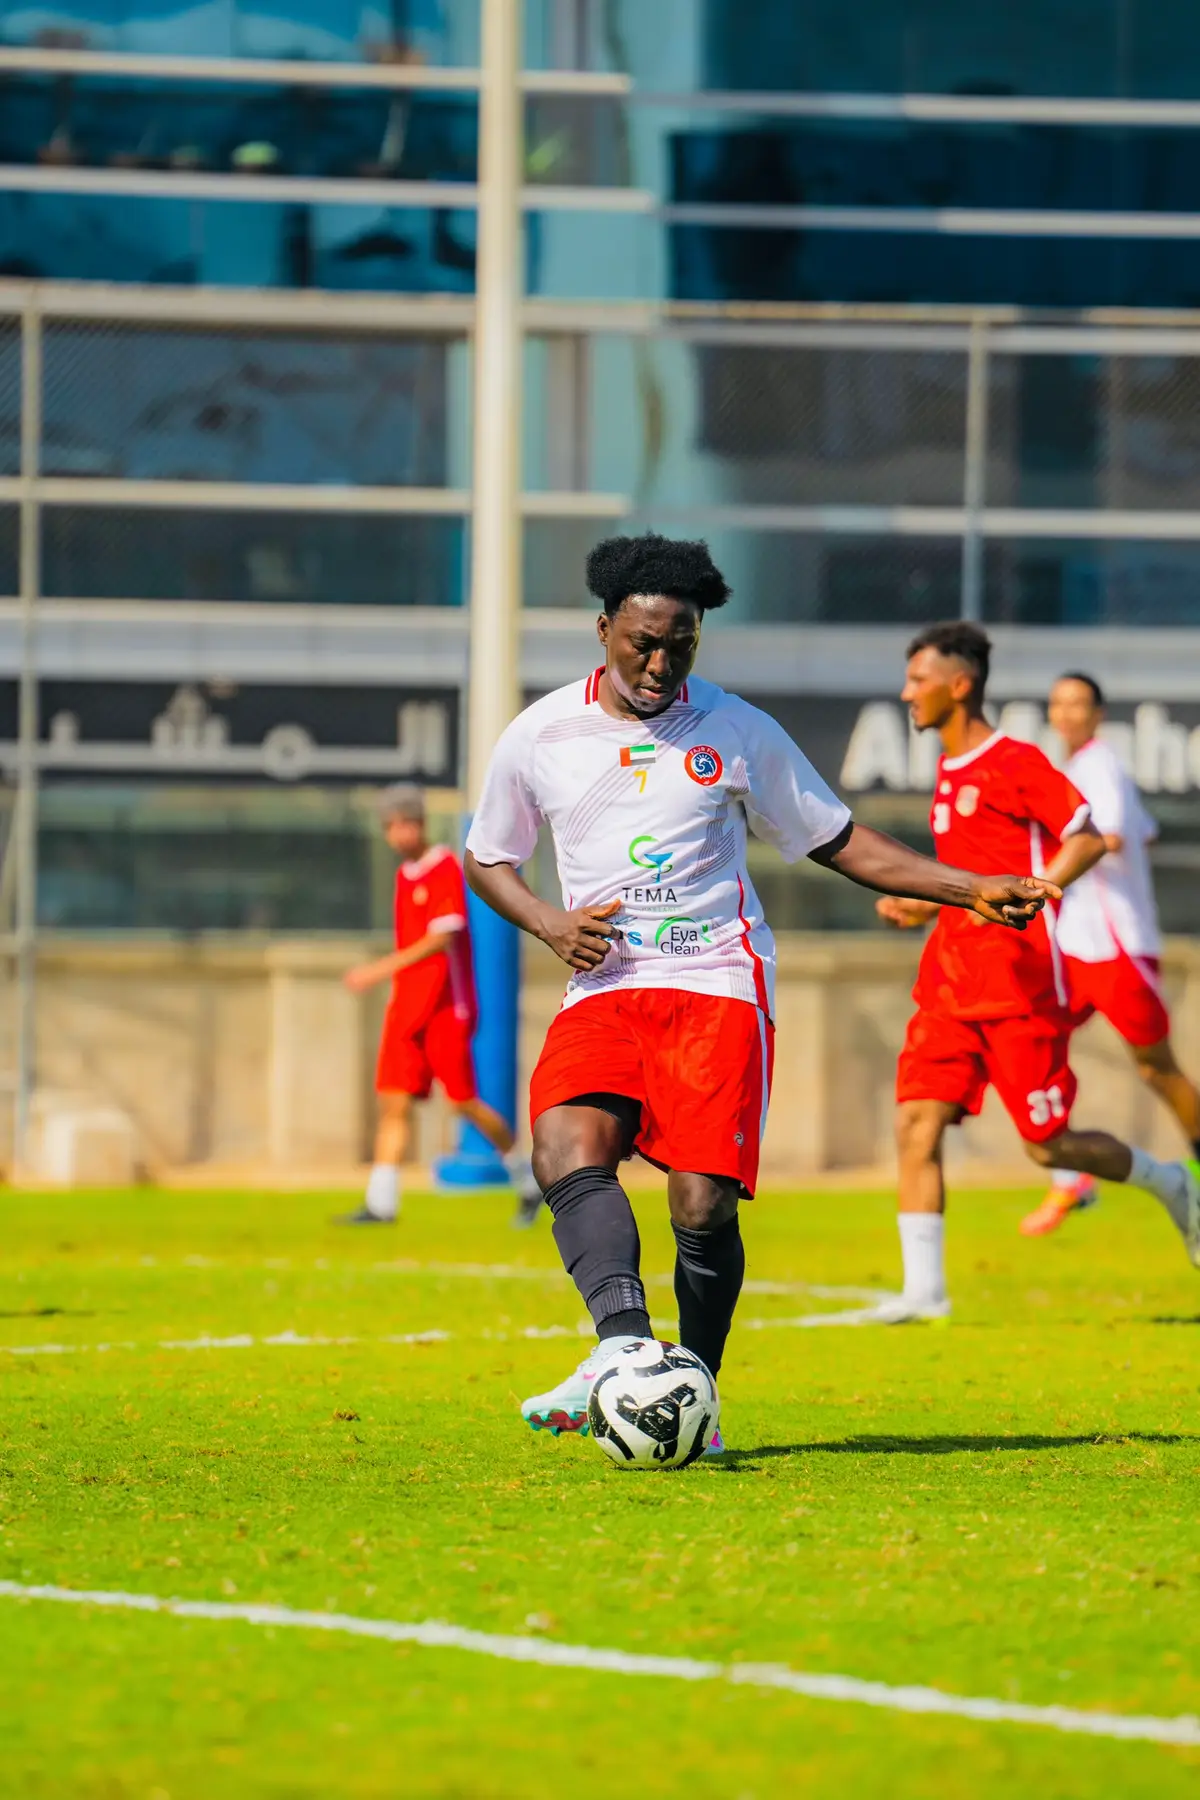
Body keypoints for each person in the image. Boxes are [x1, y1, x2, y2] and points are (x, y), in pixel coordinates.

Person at [463, 534, 1058, 1446]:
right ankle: (624, 1353)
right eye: (643, 644)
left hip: (717, 984)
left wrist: (970, 888)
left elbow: (841, 840)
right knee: (564, 1144)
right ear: (605, 632)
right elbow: (486, 857)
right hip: (609, 984)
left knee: (701, 1205)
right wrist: (547, 920)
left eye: (681, 645)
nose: (662, 663)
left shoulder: (736, 730)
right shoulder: (541, 733)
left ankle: (694, 1392)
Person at [871, 625, 1199, 1323]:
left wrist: (1040, 889)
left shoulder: (1014, 761)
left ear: (959, 685)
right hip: (948, 985)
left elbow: (1083, 836)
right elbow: (972, 874)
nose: (907, 693)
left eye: (917, 679)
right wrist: (924, 905)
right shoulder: (949, 770)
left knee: (1046, 1144)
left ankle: (1172, 1183)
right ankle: (923, 1293)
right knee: (915, 1122)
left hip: (1018, 985)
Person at [1021, 673, 1200, 1237]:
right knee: (1034, 1043)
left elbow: (1116, 835)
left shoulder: (1099, 762)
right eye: (1059, 704)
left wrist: (1049, 849)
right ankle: (1070, 1178)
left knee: (1156, 1066)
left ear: (1098, 714)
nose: (1068, 713)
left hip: (1116, 944)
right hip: (1074, 946)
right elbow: (1142, 831)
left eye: (1079, 704)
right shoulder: (1077, 770)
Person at [338, 784, 542, 1228]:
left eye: (403, 824)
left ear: (419, 824)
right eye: (390, 827)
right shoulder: (403, 876)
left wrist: (378, 969)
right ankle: (381, 1203)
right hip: (406, 1009)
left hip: (445, 1008)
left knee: (463, 1102)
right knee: (393, 1102)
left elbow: (442, 936)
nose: (397, 834)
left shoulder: (445, 868)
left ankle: (526, 1178)